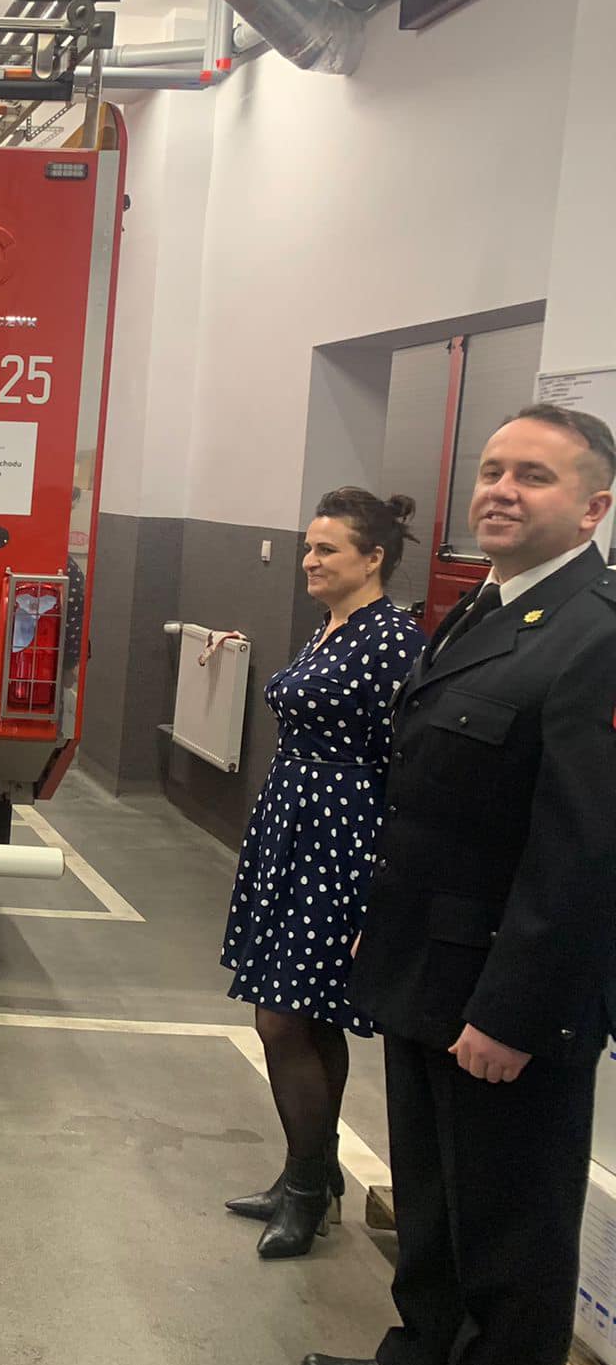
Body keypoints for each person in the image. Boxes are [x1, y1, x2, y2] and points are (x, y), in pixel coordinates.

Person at [304, 406, 616, 1365]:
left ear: (593, 508)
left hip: (504, 993)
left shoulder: (596, 634)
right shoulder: (482, 608)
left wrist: (515, 1011)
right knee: (434, 1197)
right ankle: (422, 1362)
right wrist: (381, 922)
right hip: (427, 965)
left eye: (533, 476)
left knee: (511, 1221)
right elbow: (432, 797)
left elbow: (584, 854)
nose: (500, 491)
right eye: (491, 470)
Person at [219, 488, 425, 1258]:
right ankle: (310, 1173)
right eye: (308, 547)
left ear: (373, 559)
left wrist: (382, 888)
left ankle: (307, 1192)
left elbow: (406, 766)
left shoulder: (393, 641)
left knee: (281, 1018)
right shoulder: (332, 626)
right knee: (310, 1015)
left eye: (326, 549)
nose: (309, 560)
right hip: (295, 829)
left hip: (341, 844)